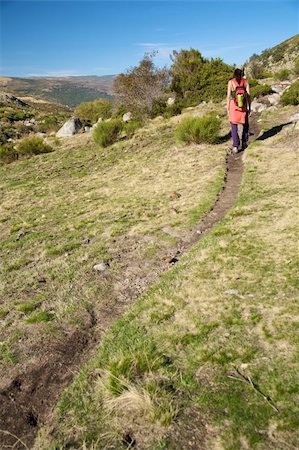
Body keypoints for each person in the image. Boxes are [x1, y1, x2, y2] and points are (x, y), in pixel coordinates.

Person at [227, 66, 251, 154]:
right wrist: (249, 107)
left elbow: (229, 96)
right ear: (242, 72)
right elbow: (248, 96)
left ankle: (235, 146)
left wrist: (228, 108)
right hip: (243, 106)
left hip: (233, 106)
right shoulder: (245, 82)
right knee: (245, 124)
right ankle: (244, 142)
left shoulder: (231, 82)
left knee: (234, 127)